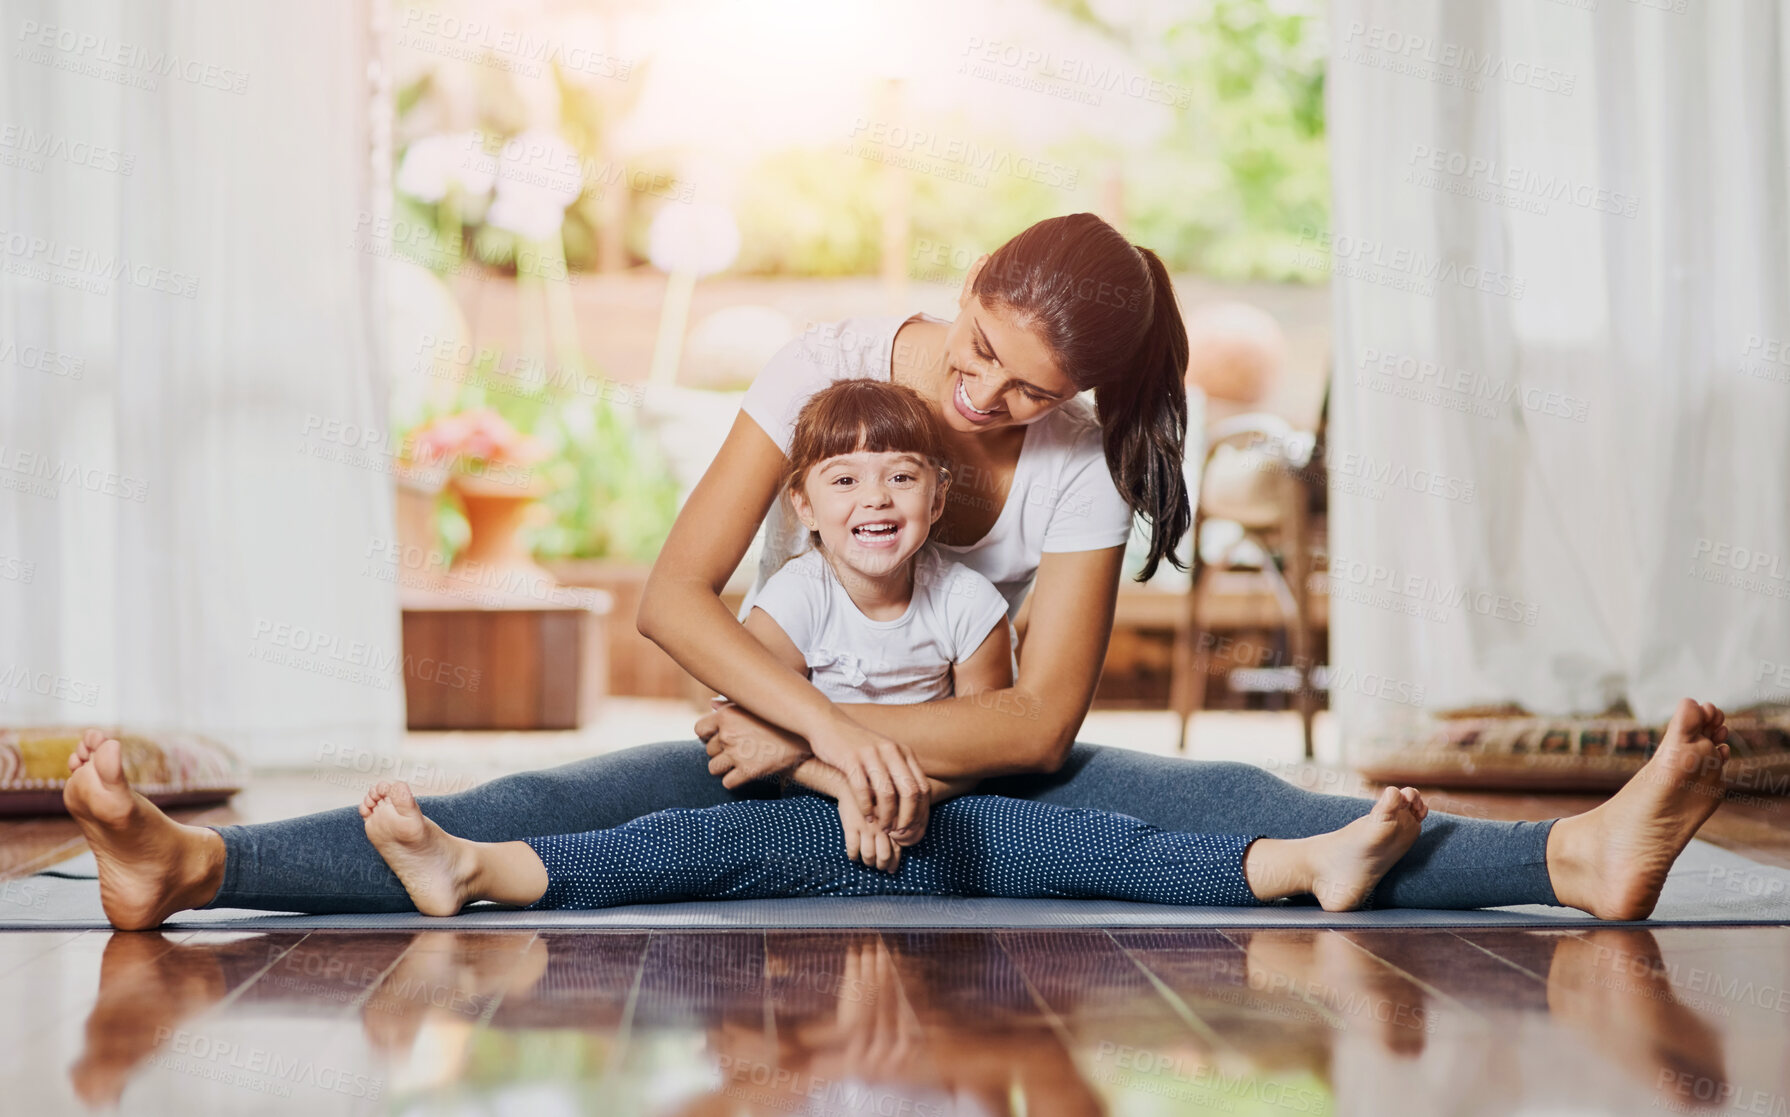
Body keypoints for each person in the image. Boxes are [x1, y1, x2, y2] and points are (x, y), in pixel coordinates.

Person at [61, 213, 1732, 928]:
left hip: (884, 748)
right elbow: (675, 596)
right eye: (987, 355)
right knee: (550, 803)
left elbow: (1034, 723)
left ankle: (1569, 859)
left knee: (1209, 797)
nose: (988, 403)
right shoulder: (833, 361)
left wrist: (805, 747)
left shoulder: (1067, 462)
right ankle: (191, 872)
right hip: (782, 730)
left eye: (1030, 391)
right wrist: (800, 722)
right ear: (968, 288)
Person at [349, 377, 1432, 916]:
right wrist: (839, 776)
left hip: (942, 822)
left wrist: (890, 786)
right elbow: (741, 725)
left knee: (1094, 843)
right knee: (673, 838)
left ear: (938, 496)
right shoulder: (796, 593)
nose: (876, 497)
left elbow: (999, 737)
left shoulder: (968, 604)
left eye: (902, 475)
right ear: (804, 506)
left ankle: (1304, 861)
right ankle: (470, 865)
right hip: (799, 818)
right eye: (845, 479)